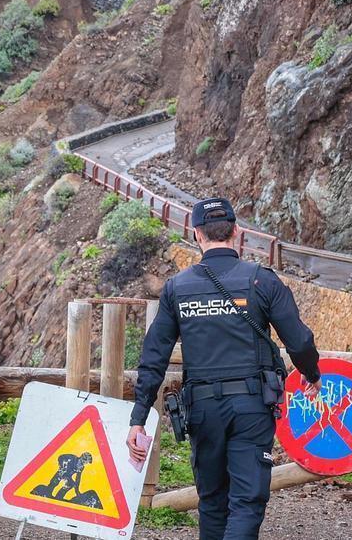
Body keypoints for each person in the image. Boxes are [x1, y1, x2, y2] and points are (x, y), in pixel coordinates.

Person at [126, 197, 323, 540]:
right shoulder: (262, 281)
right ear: (237, 232)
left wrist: (138, 417)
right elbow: (300, 341)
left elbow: (153, 356)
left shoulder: (177, 288)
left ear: (196, 235)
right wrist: (311, 373)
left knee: (213, 502)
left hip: (202, 410)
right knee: (247, 502)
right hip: (252, 408)